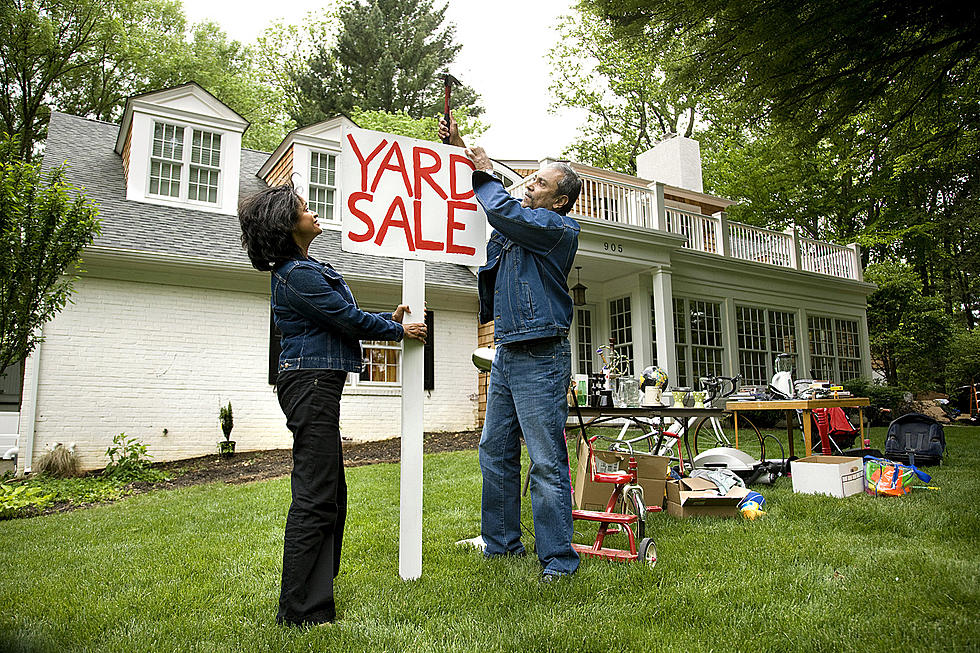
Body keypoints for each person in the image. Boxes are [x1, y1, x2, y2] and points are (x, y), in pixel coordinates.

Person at [238, 184, 427, 626]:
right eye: (303, 209)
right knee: (316, 496)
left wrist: (388, 321)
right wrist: (398, 332)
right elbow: (345, 320)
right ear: (287, 226)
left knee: (330, 493)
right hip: (310, 385)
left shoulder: (303, 268)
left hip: (315, 383)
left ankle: (316, 590)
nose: (312, 212)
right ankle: (302, 611)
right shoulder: (295, 273)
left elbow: (339, 318)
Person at [439, 116, 583, 581]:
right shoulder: (520, 224)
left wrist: (485, 172)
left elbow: (503, 210)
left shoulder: (558, 230)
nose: (530, 186)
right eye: (531, 178)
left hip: (541, 354)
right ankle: (501, 546)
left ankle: (559, 562)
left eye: (539, 183)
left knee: (545, 461)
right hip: (508, 351)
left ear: (559, 200)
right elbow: (496, 213)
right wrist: (461, 147)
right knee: (494, 450)